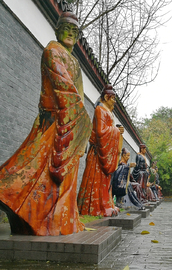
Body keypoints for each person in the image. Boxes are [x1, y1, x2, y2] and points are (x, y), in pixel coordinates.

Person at [0, 12, 92, 236]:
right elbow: (64, 87)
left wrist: (79, 118)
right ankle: (19, 204)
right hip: (55, 120)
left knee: (54, 178)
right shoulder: (52, 51)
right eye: (66, 28)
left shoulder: (75, 61)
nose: (70, 33)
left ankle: (56, 221)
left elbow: (76, 92)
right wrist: (81, 118)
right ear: (57, 30)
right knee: (34, 168)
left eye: (75, 30)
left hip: (71, 120)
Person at [77, 84, 123, 217]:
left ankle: (107, 204)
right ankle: (96, 208)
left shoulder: (107, 111)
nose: (114, 101)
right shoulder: (100, 110)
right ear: (107, 97)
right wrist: (116, 131)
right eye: (113, 99)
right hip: (98, 154)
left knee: (105, 181)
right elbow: (101, 132)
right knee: (97, 181)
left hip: (104, 153)